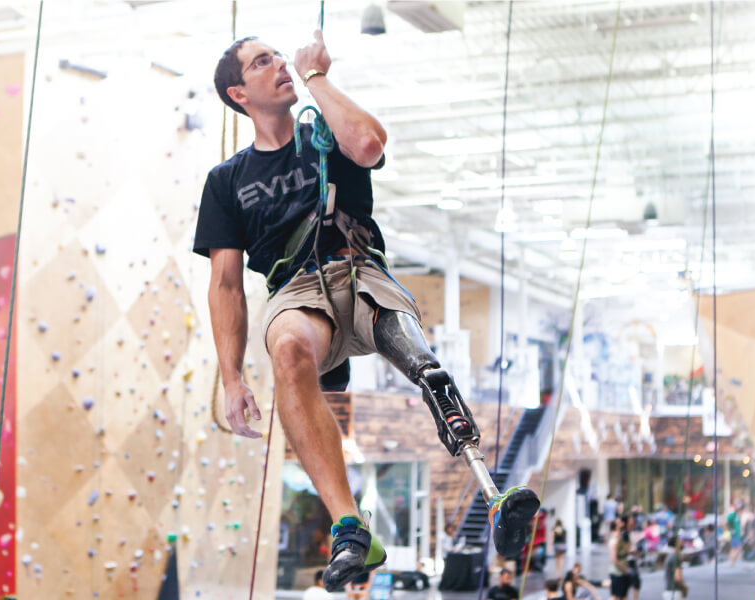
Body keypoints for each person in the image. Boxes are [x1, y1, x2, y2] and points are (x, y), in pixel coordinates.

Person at [200, 31, 540, 592]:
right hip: (298, 291)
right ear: (239, 94)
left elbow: (368, 145)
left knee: (424, 366)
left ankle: (493, 494)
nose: (280, 63)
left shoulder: (324, 131)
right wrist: (231, 377)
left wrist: (316, 77)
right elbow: (226, 285)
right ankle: (351, 528)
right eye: (263, 62)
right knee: (288, 350)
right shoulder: (227, 181)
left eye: (279, 55)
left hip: (360, 270)